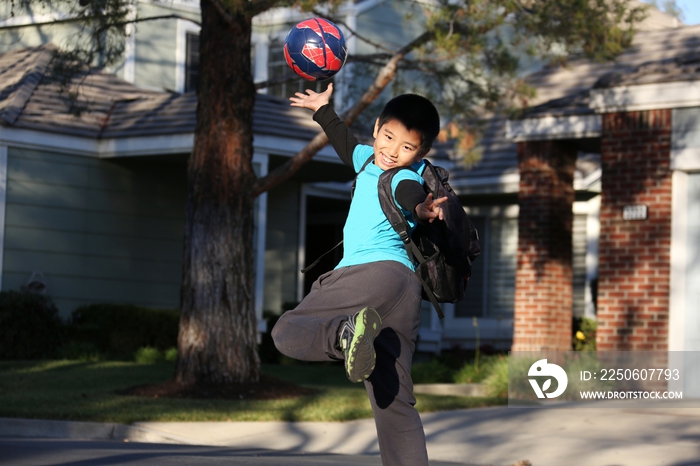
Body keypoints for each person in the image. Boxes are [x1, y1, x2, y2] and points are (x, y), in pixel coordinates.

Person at [271, 83, 445, 466]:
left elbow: (410, 198)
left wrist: (423, 210)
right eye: (388, 138)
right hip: (404, 288)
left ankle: (345, 335)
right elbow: (343, 140)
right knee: (392, 398)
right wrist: (322, 109)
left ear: (421, 153)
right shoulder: (367, 159)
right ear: (378, 127)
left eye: (406, 148)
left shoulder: (405, 178)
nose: (392, 151)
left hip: (369, 275)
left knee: (287, 331)